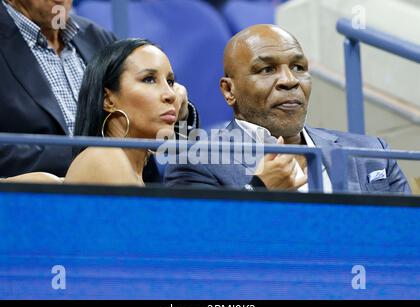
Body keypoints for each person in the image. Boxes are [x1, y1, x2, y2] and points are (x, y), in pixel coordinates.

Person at [164, 24, 411, 194]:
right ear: (229, 91)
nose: (289, 80)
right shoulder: (196, 161)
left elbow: (408, 245)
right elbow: (202, 249)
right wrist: (258, 190)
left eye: (298, 67)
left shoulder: (374, 153)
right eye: (267, 69)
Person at [0, 0, 198, 181]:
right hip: (28, 204)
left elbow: (172, 154)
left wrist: (181, 117)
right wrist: (95, 157)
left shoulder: (97, 37)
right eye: (149, 79)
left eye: (170, 82)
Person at [61, 38, 186, 186]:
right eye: (149, 79)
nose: (171, 95)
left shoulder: (131, 170)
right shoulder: (106, 158)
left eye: (170, 82)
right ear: (108, 100)